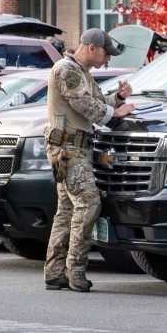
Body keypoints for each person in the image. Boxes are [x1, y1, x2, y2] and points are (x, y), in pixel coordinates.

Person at [44, 29, 134, 292]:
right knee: (89, 203)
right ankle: (76, 270)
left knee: (67, 210)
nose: (108, 59)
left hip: (74, 149)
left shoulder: (83, 73)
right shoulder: (67, 69)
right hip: (68, 150)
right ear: (92, 48)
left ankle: (54, 272)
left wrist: (117, 99)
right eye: (106, 53)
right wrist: (116, 112)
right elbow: (83, 105)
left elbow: (96, 101)